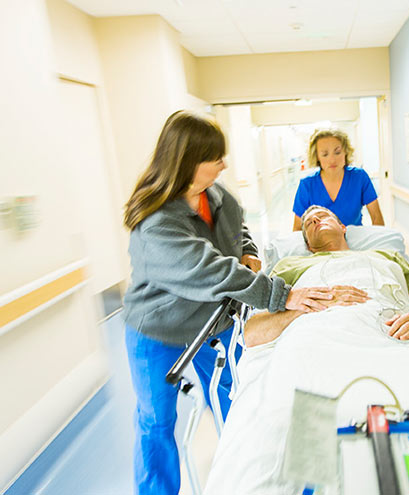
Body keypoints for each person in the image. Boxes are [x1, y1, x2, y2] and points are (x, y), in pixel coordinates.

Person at [121, 110, 335, 495]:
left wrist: (249, 251)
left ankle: (249, 478)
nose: (224, 163)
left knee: (238, 398)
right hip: (157, 330)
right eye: (215, 157)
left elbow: (240, 231)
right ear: (187, 161)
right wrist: (280, 295)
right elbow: (212, 270)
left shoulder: (215, 195)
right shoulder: (156, 222)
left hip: (210, 324)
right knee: (156, 421)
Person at [263, 205, 409, 344]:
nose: (317, 220)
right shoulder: (289, 265)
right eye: (310, 223)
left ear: (343, 227)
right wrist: (305, 309)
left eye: (323, 216)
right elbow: (253, 331)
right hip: (316, 341)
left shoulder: (389, 257)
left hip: (393, 336)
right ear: (308, 246)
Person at [292, 129, 385, 230]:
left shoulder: (359, 177)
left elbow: (377, 218)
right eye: (325, 154)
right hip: (320, 244)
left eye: (337, 152)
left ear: (345, 152)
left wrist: (378, 244)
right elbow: (297, 228)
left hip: (354, 239)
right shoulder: (307, 185)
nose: (332, 160)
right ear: (317, 157)